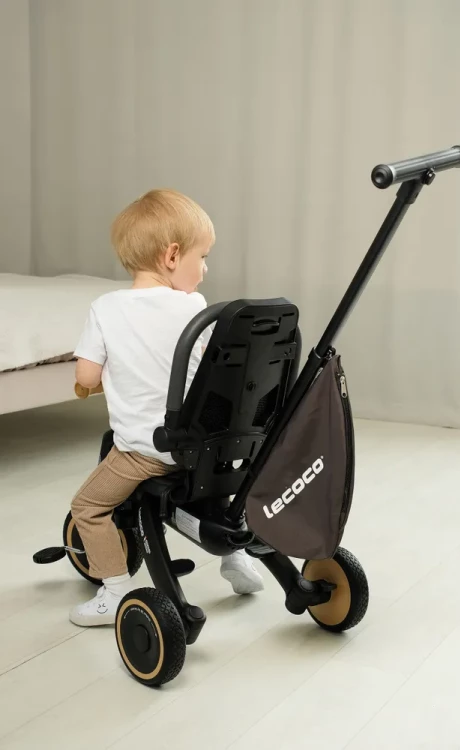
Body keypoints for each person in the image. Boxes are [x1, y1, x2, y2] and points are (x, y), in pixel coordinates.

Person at [69, 189, 263, 627]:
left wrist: (102, 376)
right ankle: (236, 557)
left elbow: (86, 376)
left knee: (87, 507)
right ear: (172, 256)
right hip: (200, 447)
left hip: (144, 453)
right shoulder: (196, 308)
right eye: (203, 256)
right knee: (212, 483)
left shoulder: (105, 309)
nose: (206, 268)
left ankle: (115, 591)